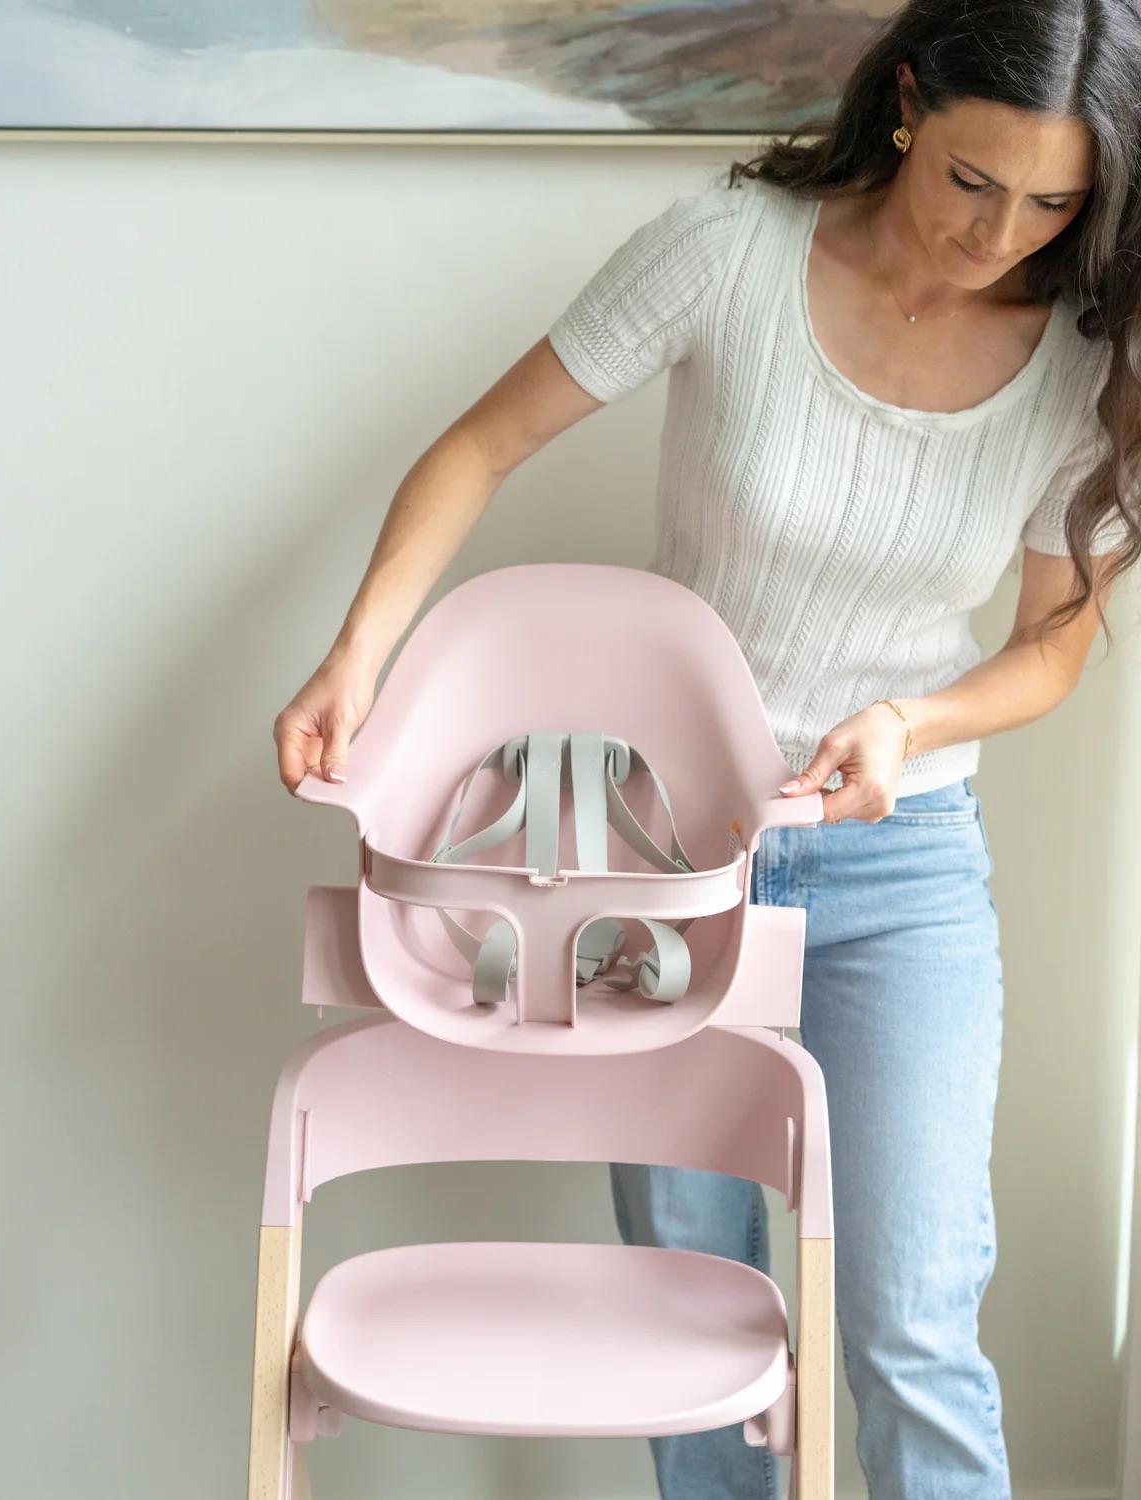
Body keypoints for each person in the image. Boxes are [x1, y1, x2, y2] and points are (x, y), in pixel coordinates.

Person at [273, 1, 1141, 1494]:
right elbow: (478, 445)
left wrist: (911, 721)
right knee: (693, 1296)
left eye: (1055, 203)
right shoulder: (727, 254)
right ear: (909, 108)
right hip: (673, 851)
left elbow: (1053, 641)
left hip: (906, 862)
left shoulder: (1083, 355)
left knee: (911, 1315)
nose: (1001, 235)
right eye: (972, 183)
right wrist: (362, 658)